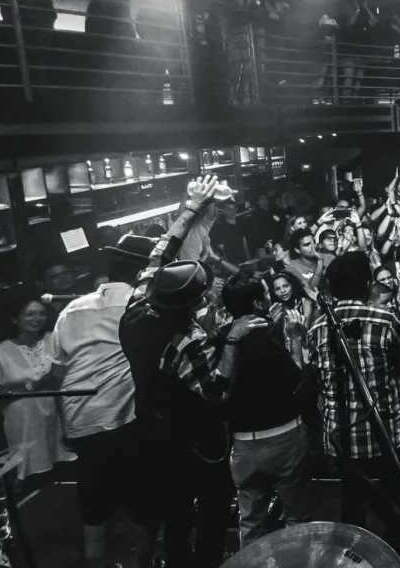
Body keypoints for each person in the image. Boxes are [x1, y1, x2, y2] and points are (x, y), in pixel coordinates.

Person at [119, 175, 268, 568]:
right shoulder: (187, 341)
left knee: (173, 513)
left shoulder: (138, 304)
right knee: (212, 505)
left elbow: (161, 251)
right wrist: (232, 338)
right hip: (190, 437)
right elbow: (216, 390)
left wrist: (191, 206)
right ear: (196, 302)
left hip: (148, 425)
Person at [44, 234, 156, 568]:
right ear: (144, 272)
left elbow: (56, 372)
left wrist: (65, 421)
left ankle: (96, 562)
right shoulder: (141, 308)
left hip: (81, 420)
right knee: (142, 503)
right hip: (124, 420)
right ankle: (144, 563)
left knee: (93, 504)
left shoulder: (72, 309)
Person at [308, 252, 400, 528]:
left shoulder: (317, 328)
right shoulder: (385, 320)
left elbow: (317, 380)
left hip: (342, 436)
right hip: (385, 433)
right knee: (396, 506)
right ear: (367, 283)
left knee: (352, 506)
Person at [220, 272, 314, 546]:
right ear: (258, 302)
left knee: (251, 521)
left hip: (243, 445)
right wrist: (296, 339)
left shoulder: (223, 337)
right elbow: (295, 381)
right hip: (283, 438)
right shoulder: (263, 336)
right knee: (297, 518)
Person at [0, 298, 76, 482]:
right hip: (22, 426)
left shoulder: (53, 340)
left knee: (62, 478)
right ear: (15, 319)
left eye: (41, 314)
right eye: (30, 314)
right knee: (33, 480)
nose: (37, 318)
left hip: (55, 419)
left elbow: (64, 378)